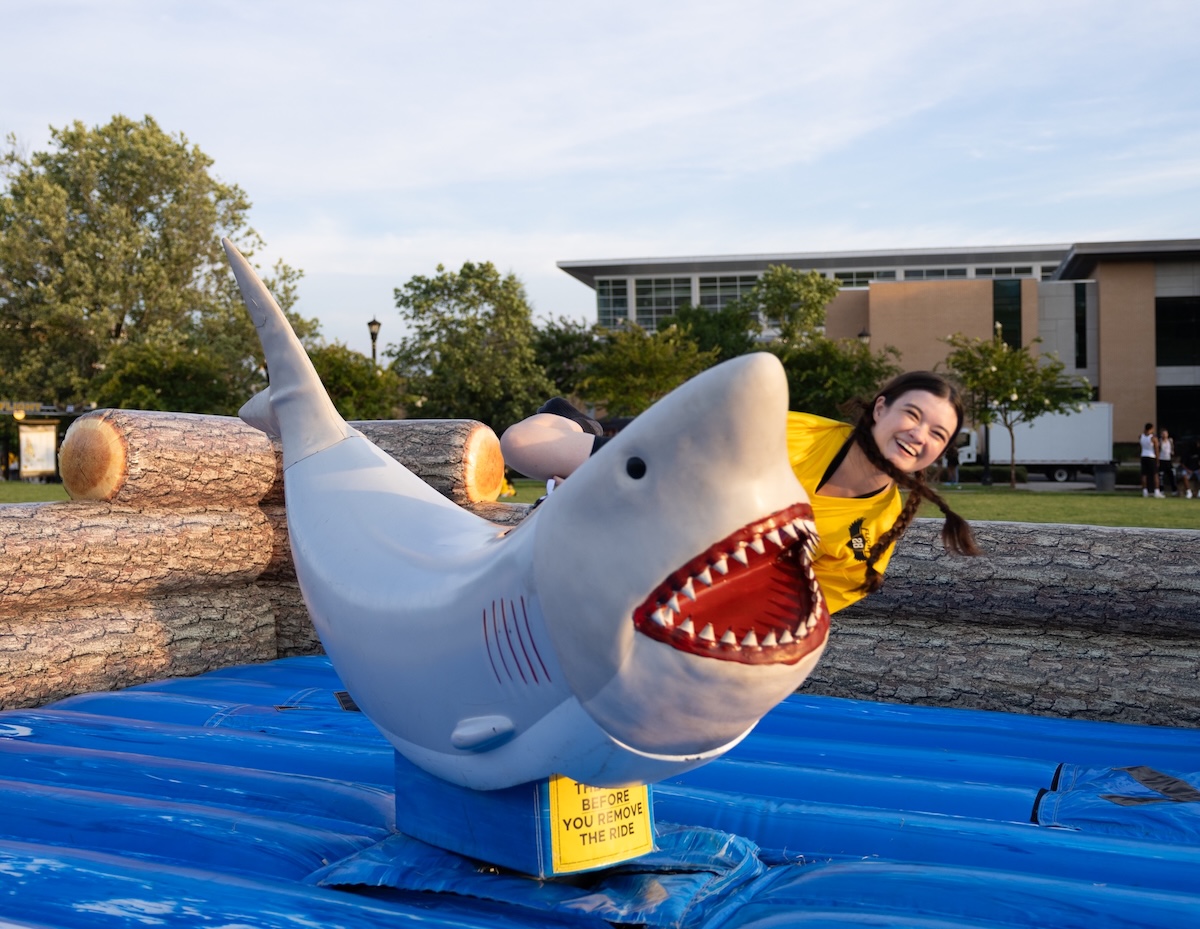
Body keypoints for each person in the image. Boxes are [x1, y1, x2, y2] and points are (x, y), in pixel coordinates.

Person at [501, 371, 980, 615]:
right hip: (663, 467)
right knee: (521, 444)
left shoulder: (873, 539)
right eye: (913, 415)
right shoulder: (798, 434)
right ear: (881, 409)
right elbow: (685, 457)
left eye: (938, 434)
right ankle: (579, 425)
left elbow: (802, 612)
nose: (920, 435)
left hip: (681, 578)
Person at [1139, 423, 1163, 498]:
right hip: (1151, 456)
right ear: (1151, 429)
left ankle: (1145, 491)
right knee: (1155, 474)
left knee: (1144, 474)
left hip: (1143, 456)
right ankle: (1156, 491)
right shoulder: (1153, 438)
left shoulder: (1141, 436)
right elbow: (1156, 449)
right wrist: (1158, 459)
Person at [1158, 429, 1178, 496]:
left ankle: (1174, 490)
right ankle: (1161, 490)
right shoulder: (1160, 441)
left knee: (1172, 475)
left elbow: (1172, 449)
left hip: (1168, 460)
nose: (1164, 435)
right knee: (1161, 476)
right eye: (1163, 434)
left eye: (1165, 434)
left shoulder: (1170, 441)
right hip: (1161, 460)